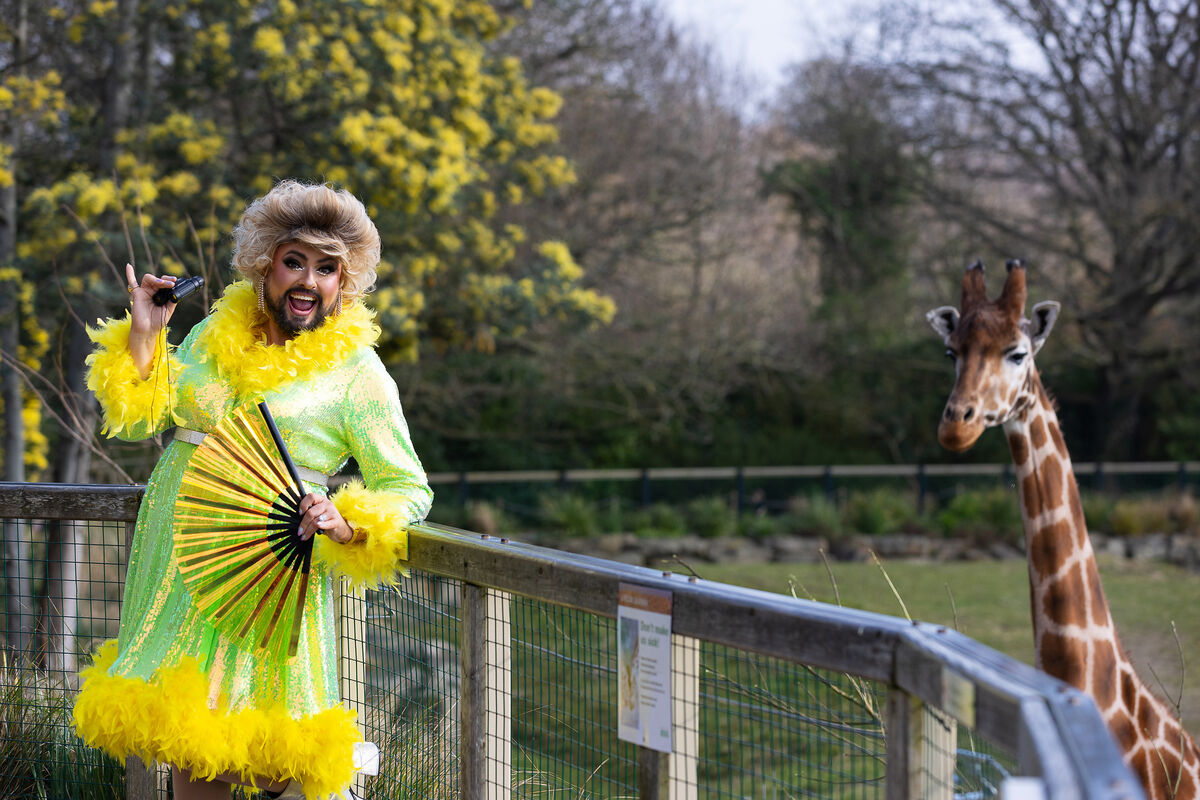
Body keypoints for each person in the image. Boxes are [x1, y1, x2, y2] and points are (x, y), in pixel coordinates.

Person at [72, 180, 433, 800]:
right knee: (195, 743)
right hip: (184, 564)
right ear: (266, 262)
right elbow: (137, 421)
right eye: (295, 261)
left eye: (326, 269)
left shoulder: (358, 371)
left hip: (270, 578)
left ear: (345, 283)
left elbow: (406, 484)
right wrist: (146, 334)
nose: (307, 281)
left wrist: (346, 520)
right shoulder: (216, 331)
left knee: (281, 754)